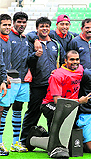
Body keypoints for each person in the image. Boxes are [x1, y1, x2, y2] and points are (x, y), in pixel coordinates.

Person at [25, 50, 91, 158]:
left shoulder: (80, 69)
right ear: (65, 61)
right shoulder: (57, 75)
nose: (75, 62)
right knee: (61, 125)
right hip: (51, 105)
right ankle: (37, 142)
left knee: (68, 141)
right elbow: (58, 101)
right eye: (72, 59)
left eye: (77, 59)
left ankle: (37, 136)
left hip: (70, 105)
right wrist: (79, 101)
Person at [20, 17, 65, 146]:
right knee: (33, 112)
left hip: (53, 87)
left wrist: (57, 73)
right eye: (41, 26)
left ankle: (53, 141)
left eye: (47, 26)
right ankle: (24, 141)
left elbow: (63, 63)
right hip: (37, 85)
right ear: (37, 28)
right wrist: (35, 55)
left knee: (53, 114)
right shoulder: (31, 42)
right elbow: (27, 61)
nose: (44, 28)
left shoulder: (56, 44)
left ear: (50, 28)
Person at [3, 12, 30, 153]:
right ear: (14, 22)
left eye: (24, 22)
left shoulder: (26, 38)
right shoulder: (7, 37)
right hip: (9, 80)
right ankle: (1, 142)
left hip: (23, 80)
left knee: (18, 109)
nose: (21, 25)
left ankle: (15, 142)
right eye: (19, 22)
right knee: (4, 110)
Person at [0, 14, 11, 156]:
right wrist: (3, 80)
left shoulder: (6, 40)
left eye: (9, 25)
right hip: (1, 81)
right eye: (4, 25)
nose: (7, 27)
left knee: (2, 110)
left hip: (3, 80)